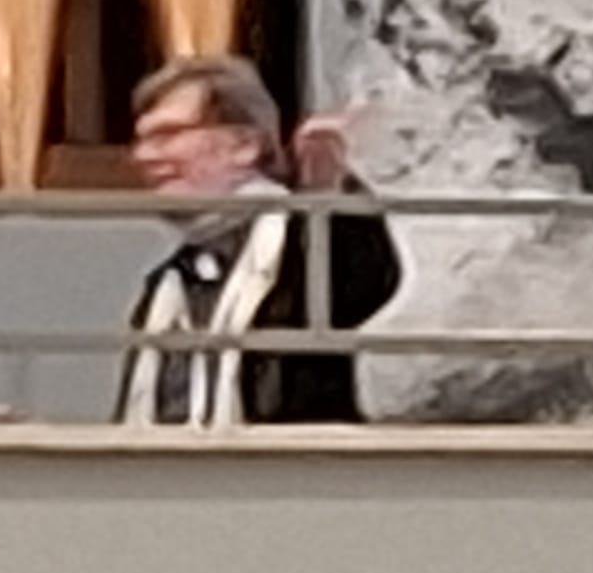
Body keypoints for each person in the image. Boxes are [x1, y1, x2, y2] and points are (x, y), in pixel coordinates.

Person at [116, 56, 402, 427]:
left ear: (245, 145)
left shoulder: (309, 245)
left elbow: (363, 281)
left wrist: (329, 195)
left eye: (167, 135)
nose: (144, 156)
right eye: (141, 140)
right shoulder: (167, 279)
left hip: (285, 461)